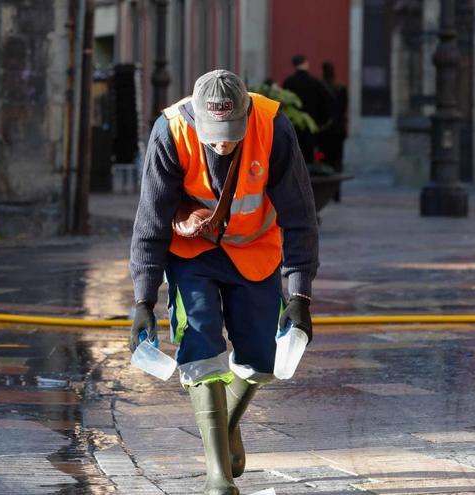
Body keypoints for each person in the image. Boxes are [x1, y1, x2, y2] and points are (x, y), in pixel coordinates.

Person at [129, 69, 319, 495]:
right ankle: (218, 477)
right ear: (197, 118)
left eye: (231, 135)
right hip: (192, 254)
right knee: (200, 342)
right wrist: (143, 300)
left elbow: (300, 216)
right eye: (213, 136)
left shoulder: (273, 126)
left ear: (247, 115)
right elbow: (150, 222)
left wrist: (300, 295)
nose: (222, 144)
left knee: (262, 359)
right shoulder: (170, 131)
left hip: (255, 250)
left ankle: (225, 426)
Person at [282, 54, 335, 163]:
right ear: (306, 63)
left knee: (294, 155)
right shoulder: (315, 82)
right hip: (311, 125)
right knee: (309, 156)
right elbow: (327, 102)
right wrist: (322, 122)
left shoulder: (288, 82)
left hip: (293, 126)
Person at [318, 61, 349, 202]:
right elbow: (343, 109)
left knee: (324, 160)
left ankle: (326, 192)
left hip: (324, 131)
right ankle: (337, 193)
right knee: (337, 161)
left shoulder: (319, 86)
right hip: (338, 130)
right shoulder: (341, 87)